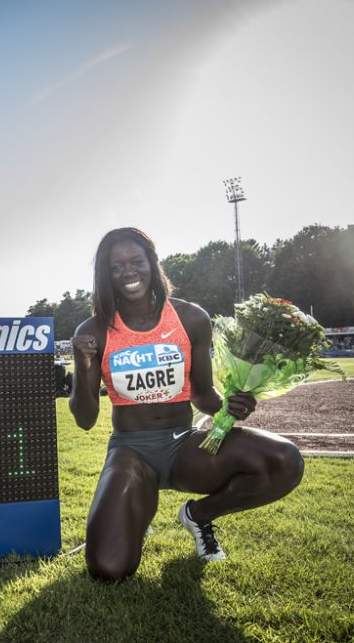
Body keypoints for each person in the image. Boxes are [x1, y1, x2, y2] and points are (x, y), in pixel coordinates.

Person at [70, 227, 303, 581]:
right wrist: (81, 366)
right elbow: (86, 420)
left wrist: (231, 406)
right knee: (109, 568)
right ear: (105, 275)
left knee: (284, 461)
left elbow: (203, 394)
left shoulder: (191, 318)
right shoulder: (96, 330)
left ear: (152, 262)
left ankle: (199, 515)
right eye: (116, 267)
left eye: (136, 261)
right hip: (132, 453)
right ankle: (135, 507)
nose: (128, 272)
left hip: (185, 447)